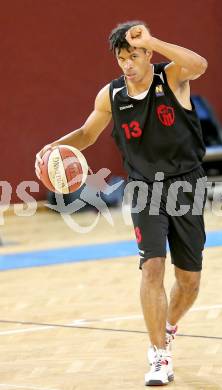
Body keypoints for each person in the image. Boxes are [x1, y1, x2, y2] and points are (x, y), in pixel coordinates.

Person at [35, 21, 208, 386]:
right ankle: (159, 355)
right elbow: (86, 134)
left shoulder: (172, 77)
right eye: (121, 57)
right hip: (144, 188)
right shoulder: (111, 95)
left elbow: (200, 65)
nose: (127, 63)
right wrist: (55, 148)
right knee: (152, 269)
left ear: (148, 54)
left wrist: (154, 40)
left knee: (189, 281)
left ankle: (168, 326)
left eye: (134, 55)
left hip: (186, 185)